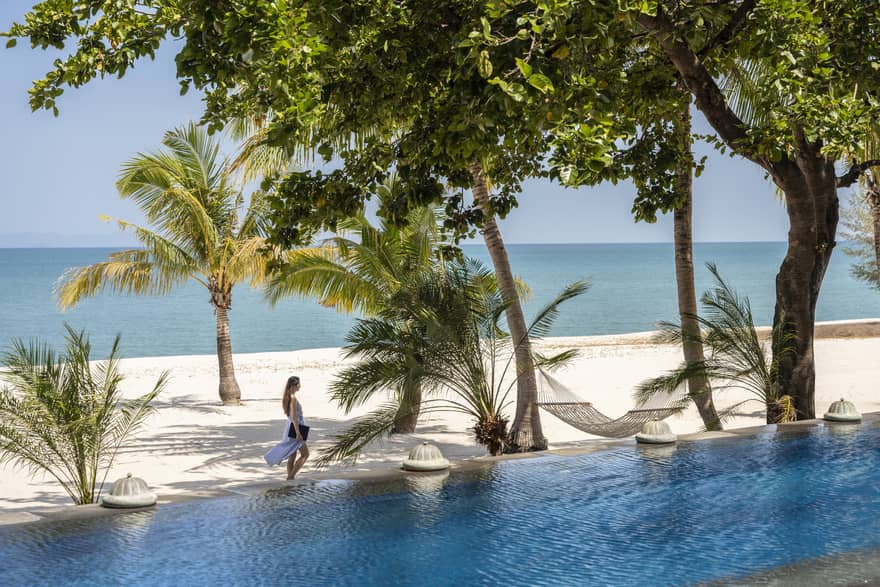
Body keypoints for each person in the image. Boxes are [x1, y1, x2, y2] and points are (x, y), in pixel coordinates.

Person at [263, 375, 310, 480]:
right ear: (295, 385)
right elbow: (294, 416)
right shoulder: (292, 398)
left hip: (290, 427)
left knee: (292, 455)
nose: (300, 386)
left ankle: (290, 479)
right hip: (295, 427)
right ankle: (290, 477)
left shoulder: (287, 396)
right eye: (299, 384)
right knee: (305, 454)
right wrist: (298, 432)